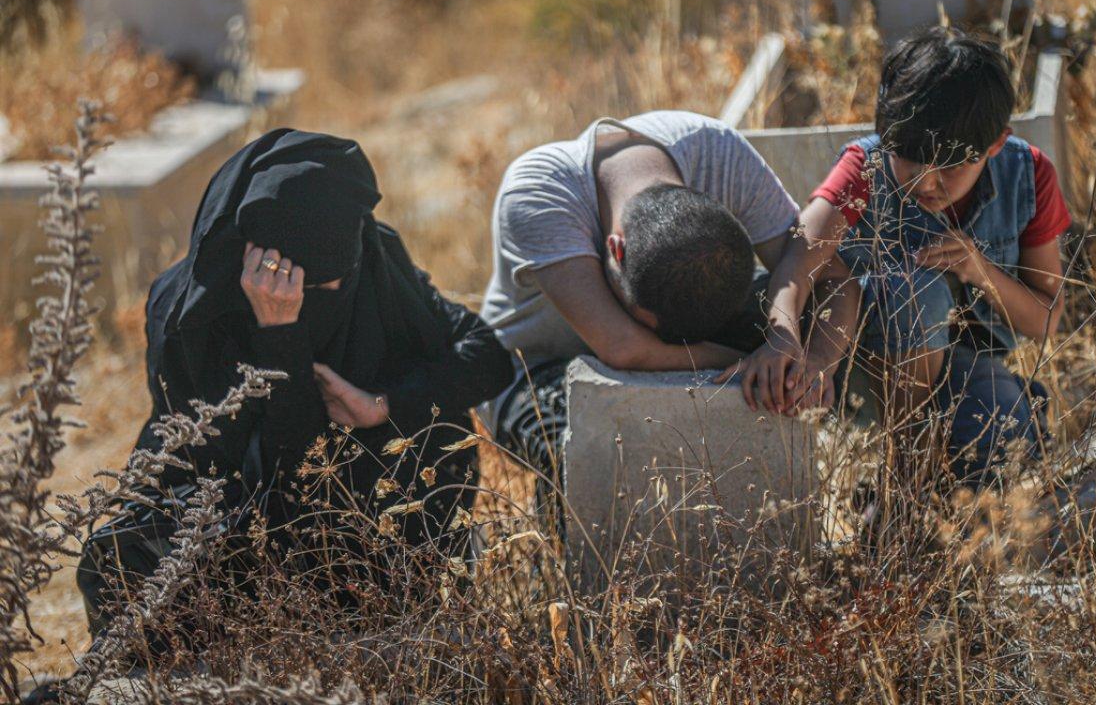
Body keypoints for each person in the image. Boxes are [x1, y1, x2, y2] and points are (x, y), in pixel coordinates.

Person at [76, 129, 514, 650]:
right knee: (132, 572)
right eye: (314, 288)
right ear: (262, 264)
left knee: (439, 419)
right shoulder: (191, 318)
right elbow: (280, 473)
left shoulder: (372, 252)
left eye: (341, 280)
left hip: (373, 512)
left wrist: (382, 406)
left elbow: (488, 357)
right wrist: (280, 336)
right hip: (248, 525)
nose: (334, 295)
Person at [481, 111, 859, 493]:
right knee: (583, 455)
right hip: (534, 365)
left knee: (815, 315)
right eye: (647, 322)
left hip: (694, 334)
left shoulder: (716, 153)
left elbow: (832, 277)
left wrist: (806, 358)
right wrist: (746, 365)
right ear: (616, 249)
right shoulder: (539, 193)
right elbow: (625, 347)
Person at [790, 26, 1071, 488]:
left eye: (952, 166)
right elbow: (800, 251)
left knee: (1001, 442)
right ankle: (904, 483)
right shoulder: (866, 167)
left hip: (958, 370)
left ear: (995, 144)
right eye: (910, 158)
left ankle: (961, 455)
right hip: (861, 370)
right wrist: (792, 343)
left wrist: (980, 271)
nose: (925, 182)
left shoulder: (1028, 173)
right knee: (913, 292)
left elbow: (1045, 320)